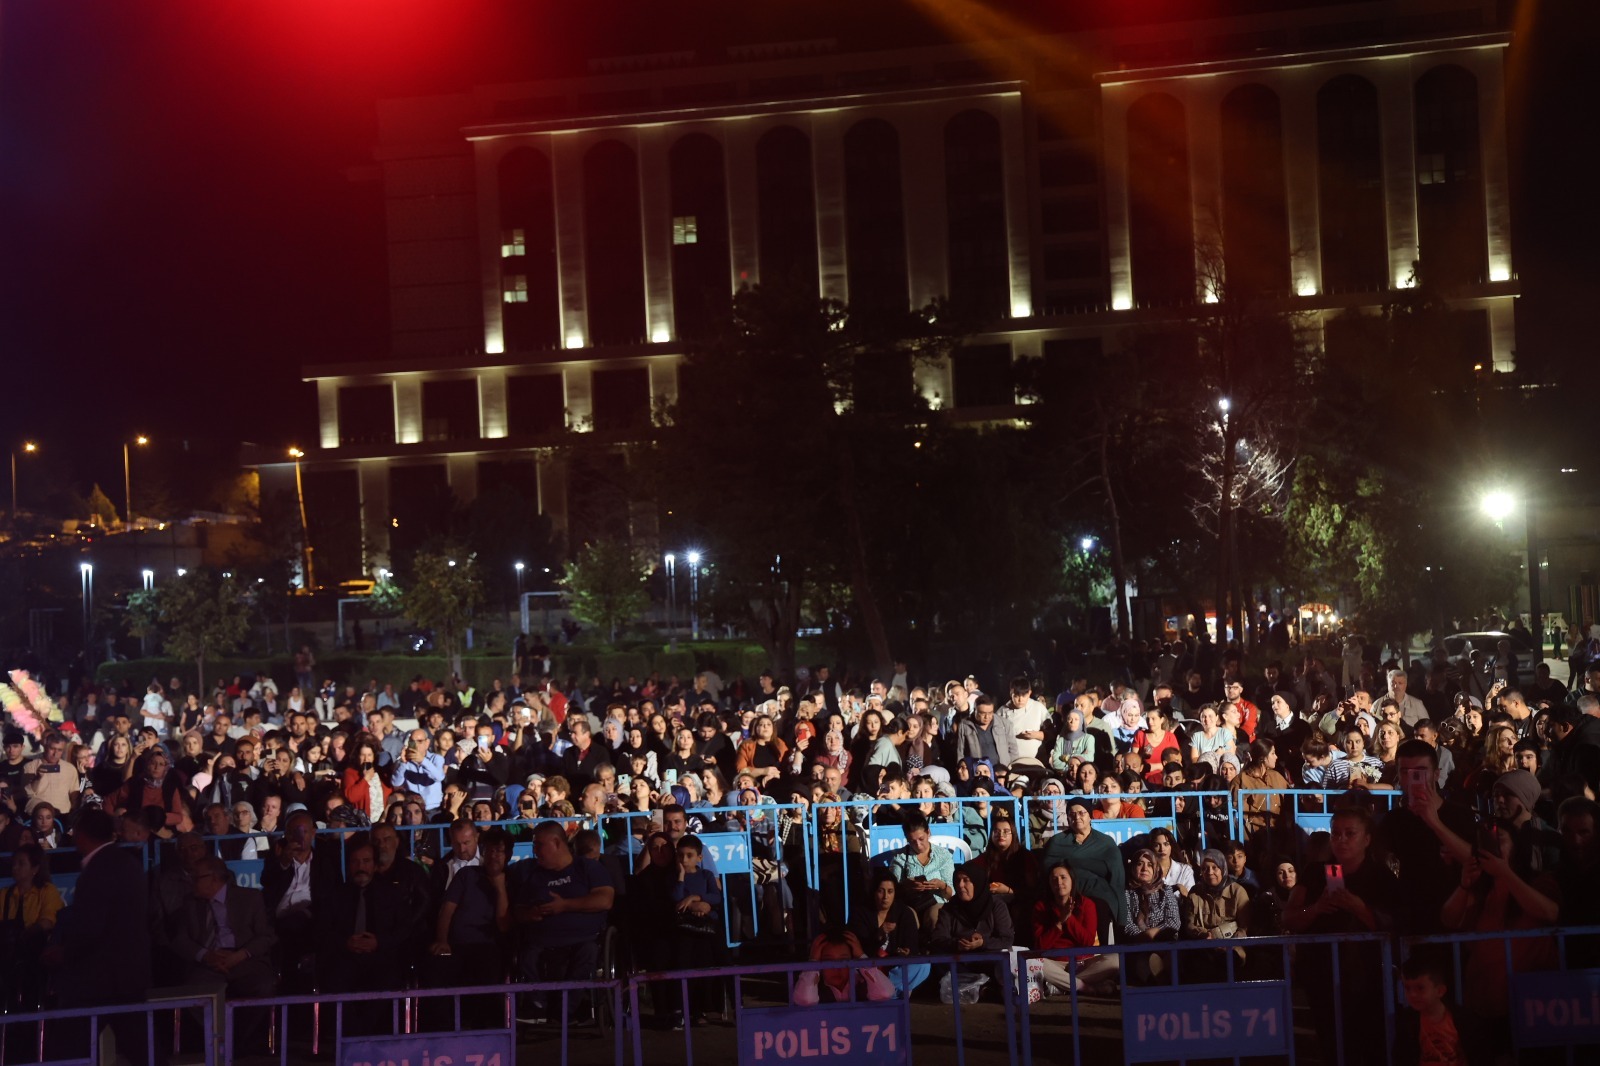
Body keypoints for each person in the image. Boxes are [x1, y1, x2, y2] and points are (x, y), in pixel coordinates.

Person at [44, 809, 152, 1064]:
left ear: (81, 835)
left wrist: (63, 953)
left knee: (71, 1047)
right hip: (126, 975)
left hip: (100, 978)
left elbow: (91, 927)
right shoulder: (125, 862)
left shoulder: (100, 869)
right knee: (141, 1048)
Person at [509, 819, 615, 1026]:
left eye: (539, 844)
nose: (535, 850)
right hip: (541, 939)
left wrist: (564, 905)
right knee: (526, 954)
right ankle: (537, 1006)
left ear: (557, 843)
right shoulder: (534, 875)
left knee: (588, 953)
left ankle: (565, 1012)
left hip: (582, 938)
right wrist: (529, 913)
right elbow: (518, 910)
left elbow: (605, 900)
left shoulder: (587, 868)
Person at [169, 856, 278, 998]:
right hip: (208, 964)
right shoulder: (190, 903)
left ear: (214, 879)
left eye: (196, 878)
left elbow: (265, 936)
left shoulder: (250, 898)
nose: (191, 882)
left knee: (262, 986)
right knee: (194, 991)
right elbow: (181, 939)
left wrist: (240, 955)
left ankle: (244, 1021)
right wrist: (206, 955)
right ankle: (215, 1021)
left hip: (245, 960)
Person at [1039, 799, 1127, 941]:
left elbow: (1117, 880)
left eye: (1081, 813)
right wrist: (1096, 867)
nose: (1077, 817)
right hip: (1066, 894)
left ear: (1090, 815)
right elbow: (1048, 871)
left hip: (1100, 895)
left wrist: (1072, 862)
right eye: (1072, 814)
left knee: (1100, 909)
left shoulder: (1105, 843)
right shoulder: (1058, 841)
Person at [1032, 864, 1118, 994]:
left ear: (1072, 881)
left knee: (1115, 960)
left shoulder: (1087, 904)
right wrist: (1060, 921)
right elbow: (1041, 945)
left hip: (1083, 963)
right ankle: (1086, 988)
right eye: (1054, 879)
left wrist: (1069, 919)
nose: (1059, 882)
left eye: (1063, 877)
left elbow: (1087, 942)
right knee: (1035, 963)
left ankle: (1060, 986)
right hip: (1055, 963)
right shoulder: (1041, 906)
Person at [0, 844, 64, 1010]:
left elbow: (49, 920)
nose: (15, 868)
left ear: (35, 868)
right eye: (14, 863)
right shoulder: (4, 894)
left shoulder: (47, 891)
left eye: (21, 864)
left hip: (36, 955)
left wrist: (29, 933)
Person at [851, 869, 928, 997]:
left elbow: (912, 944)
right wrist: (879, 934)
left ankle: (885, 991)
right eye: (881, 891)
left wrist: (907, 952)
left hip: (894, 969)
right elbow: (858, 949)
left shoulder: (904, 913)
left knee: (923, 965)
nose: (886, 897)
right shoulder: (860, 913)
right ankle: (890, 993)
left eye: (890, 891)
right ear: (874, 892)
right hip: (869, 969)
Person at [1121, 848, 1181, 985]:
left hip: (1165, 945)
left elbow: (1174, 922)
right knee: (1143, 962)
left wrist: (1154, 933)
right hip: (1138, 946)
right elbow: (1127, 925)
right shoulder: (1127, 894)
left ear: (1156, 869)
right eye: (1140, 864)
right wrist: (1144, 938)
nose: (1144, 868)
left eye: (1149, 865)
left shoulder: (1165, 891)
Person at [888, 815, 954, 933]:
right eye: (912, 841)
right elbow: (892, 890)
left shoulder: (943, 856)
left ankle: (936, 948)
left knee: (935, 916)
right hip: (910, 903)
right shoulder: (901, 857)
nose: (918, 845)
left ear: (928, 832)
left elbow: (951, 894)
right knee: (909, 918)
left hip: (937, 901)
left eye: (921, 839)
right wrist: (907, 885)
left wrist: (941, 885)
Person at [792, 930, 896, 1005]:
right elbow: (805, 1000)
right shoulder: (813, 984)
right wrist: (813, 962)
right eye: (828, 961)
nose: (836, 968)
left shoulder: (862, 981)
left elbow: (885, 993)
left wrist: (862, 957)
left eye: (844, 960)